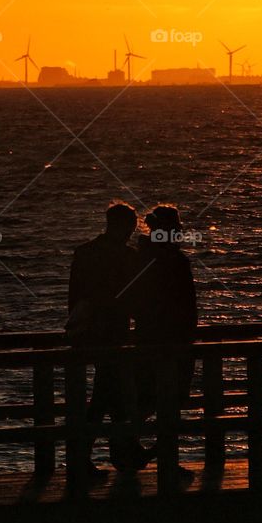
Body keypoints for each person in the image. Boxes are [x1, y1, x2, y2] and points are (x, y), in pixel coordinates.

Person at [67, 202, 142, 473]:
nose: (132, 232)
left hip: (90, 334)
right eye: (131, 226)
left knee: (110, 392)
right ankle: (112, 453)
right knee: (108, 396)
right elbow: (132, 300)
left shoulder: (85, 253)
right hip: (113, 336)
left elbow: (74, 297)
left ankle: (120, 452)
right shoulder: (127, 257)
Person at [133, 204, 198, 422]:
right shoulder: (176, 261)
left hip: (147, 335)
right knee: (170, 399)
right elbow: (187, 304)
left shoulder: (140, 257)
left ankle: (129, 446)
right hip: (174, 338)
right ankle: (156, 448)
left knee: (146, 399)